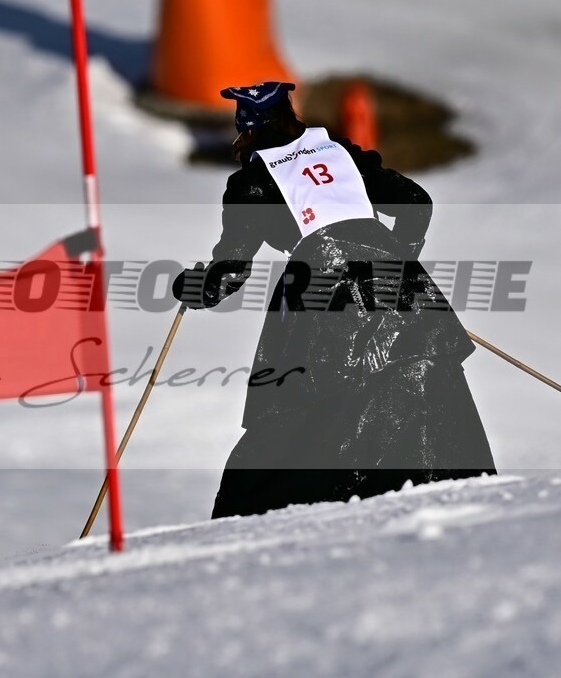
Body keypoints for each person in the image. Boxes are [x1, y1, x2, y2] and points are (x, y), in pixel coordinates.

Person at [172, 81, 496, 519]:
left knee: (307, 409)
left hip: (322, 293)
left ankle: (285, 510)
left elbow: (229, 274)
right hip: (400, 284)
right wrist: (395, 265)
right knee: (425, 382)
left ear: (247, 128)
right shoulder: (339, 151)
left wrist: (192, 288)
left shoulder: (252, 180)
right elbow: (417, 202)